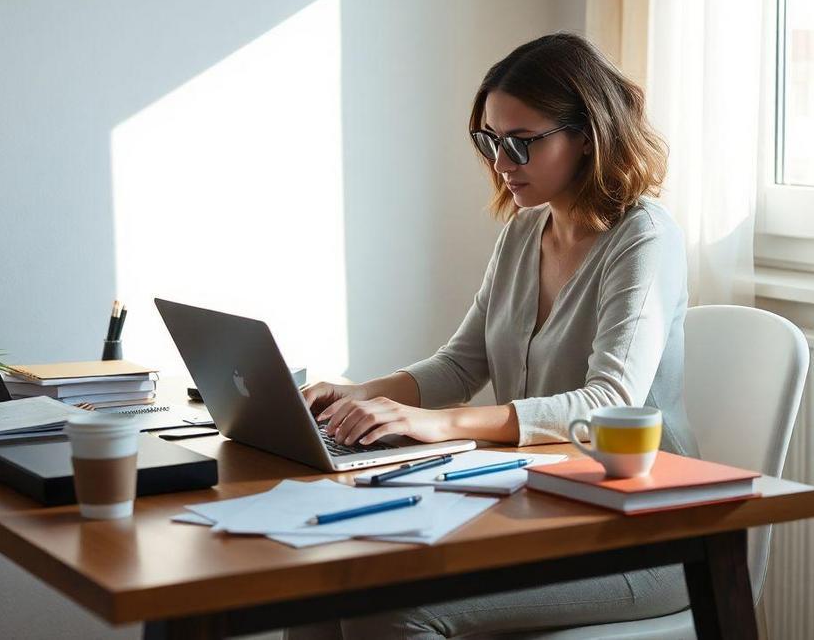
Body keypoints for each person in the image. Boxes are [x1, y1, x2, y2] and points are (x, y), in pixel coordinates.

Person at [293, 32, 701, 640]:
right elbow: (462, 365)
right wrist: (357, 395)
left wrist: (441, 423)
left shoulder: (644, 237)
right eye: (489, 140)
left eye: (520, 144)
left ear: (588, 136)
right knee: (319, 587)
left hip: (644, 535)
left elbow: (607, 403)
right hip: (540, 506)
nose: (500, 164)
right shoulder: (524, 230)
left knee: (387, 612)